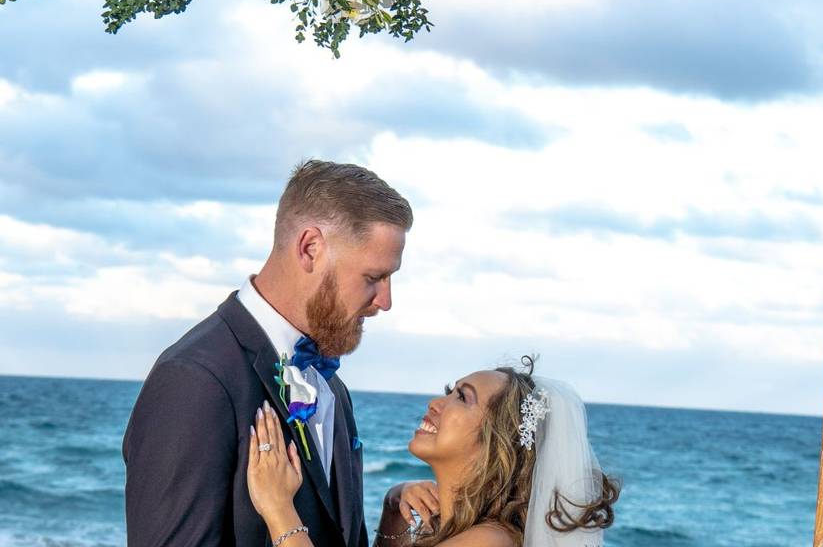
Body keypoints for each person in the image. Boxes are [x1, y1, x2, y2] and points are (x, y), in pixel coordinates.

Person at [123, 159, 413, 547]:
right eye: (374, 277)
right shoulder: (194, 380)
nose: (385, 300)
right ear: (310, 248)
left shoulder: (332, 387)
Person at [246, 357, 619, 547]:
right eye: (449, 390)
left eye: (461, 397)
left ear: (495, 440)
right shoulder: (456, 528)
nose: (436, 404)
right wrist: (393, 510)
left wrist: (279, 510)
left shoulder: (491, 541)